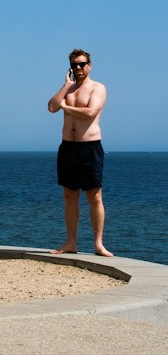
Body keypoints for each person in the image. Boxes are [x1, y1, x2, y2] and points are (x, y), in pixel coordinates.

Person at [47, 49, 112, 257]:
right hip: (68, 148)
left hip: (89, 147)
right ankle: (71, 242)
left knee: (94, 196)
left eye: (82, 64)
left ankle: (99, 244)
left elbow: (90, 113)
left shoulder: (97, 88)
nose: (78, 68)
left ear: (89, 65)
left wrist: (64, 107)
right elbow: (51, 107)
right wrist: (65, 87)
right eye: (74, 64)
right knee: (69, 196)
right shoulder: (68, 89)